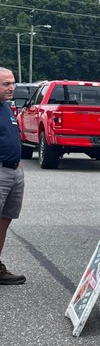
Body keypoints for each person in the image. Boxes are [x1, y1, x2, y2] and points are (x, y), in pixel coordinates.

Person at [0, 67, 27, 285]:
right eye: (6, 84)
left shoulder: (7, 107)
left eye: (13, 83)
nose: (12, 88)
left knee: (5, 220)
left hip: (13, 171)